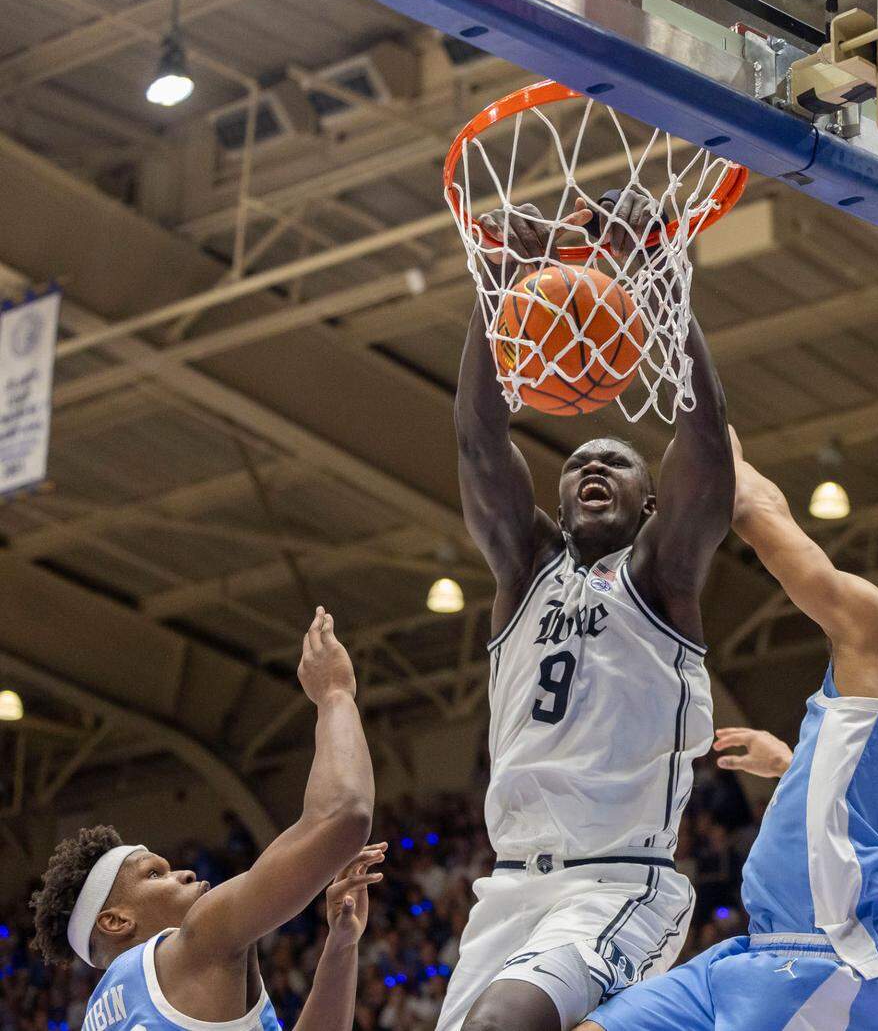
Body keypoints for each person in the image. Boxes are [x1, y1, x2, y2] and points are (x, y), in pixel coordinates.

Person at [574, 428, 878, 1031]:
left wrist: (713, 431)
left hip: (828, 965)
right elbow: (865, 812)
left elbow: (761, 513)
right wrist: (792, 765)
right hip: (753, 952)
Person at [443, 192, 734, 1031]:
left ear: (650, 506)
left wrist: (657, 279)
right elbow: (477, 436)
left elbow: (707, 447)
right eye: (576, 464)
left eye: (616, 461)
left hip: (616, 880)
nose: (592, 466)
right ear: (559, 502)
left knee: (507, 1023)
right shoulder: (526, 567)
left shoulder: (660, 579)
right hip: (507, 889)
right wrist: (499, 286)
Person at [29, 608, 382, 1031]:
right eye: (154, 874)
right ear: (116, 920)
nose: (183, 873)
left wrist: (340, 947)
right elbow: (344, 816)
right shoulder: (198, 940)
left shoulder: (100, 1014)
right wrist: (335, 694)